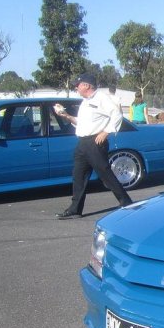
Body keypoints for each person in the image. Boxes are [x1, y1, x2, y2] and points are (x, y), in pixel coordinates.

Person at [52, 73, 133, 219]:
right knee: (78, 176)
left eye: (78, 84)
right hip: (83, 143)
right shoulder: (85, 102)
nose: (76, 87)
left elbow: (117, 115)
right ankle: (75, 210)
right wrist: (67, 116)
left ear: (87, 85)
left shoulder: (101, 98)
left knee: (105, 174)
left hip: (95, 142)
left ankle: (126, 202)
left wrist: (106, 132)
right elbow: (83, 123)